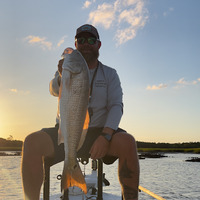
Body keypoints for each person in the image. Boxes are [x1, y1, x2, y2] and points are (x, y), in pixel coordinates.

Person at [21, 24, 139, 200]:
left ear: (98, 45)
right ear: (75, 45)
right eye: (81, 40)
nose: (86, 44)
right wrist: (61, 76)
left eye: (91, 40)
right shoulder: (66, 68)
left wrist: (106, 136)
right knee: (31, 142)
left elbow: (116, 106)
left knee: (128, 142)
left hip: (99, 134)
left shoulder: (110, 74)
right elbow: (53, 89)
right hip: (67, 131)